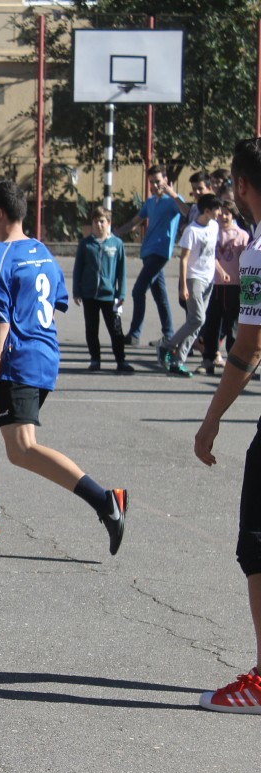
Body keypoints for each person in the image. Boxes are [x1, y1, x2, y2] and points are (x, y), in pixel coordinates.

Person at [0, 179, 127, 554]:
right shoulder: (41, 251)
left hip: (19, 364)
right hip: (43, 356)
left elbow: (2, 322)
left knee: (22, 448)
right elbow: (45, 305)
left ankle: (106, 500)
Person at [193, 136, 261, 714]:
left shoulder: (259, 252)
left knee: (259, 547)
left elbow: (246, 349)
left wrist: (210, 420)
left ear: (240, 187)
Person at [116, 165, 191, 347]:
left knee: (138, 290)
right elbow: (135, 221)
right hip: (148, 253)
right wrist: (115, 233)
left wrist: (173, 194)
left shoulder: (173, 200)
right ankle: (169, 334)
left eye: (158, 181)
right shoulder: (151, 202)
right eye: (151, 182)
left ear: (165, 181)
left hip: (161, 253)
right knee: (160, 296)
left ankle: (134, 334)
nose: (155, 185)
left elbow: (187, 212)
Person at [156, 193, 222, 377]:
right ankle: (167, 345)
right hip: (194, 278)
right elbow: (184, 259)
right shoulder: (191, 231)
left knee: (196, 322)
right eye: (216, 209)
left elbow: (211, 253)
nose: (220, 213)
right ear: (206, 211)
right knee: (198, 318)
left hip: (210, 279)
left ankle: (178, 361)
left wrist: (221, 271)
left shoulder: (215, 227)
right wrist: (183, 285)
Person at [72, 206, 133, 373]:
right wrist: (77, 291)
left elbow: (122, 270)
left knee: (115, 329)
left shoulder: (116, 244)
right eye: (95, 221)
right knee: (92, 328)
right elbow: (78, 269)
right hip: (89, 294)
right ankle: (95, 359)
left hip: (110, 295)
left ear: (109, 223)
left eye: (102, 221)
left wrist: (121, 293)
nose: (99, 225)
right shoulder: (85, 244)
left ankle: (121, 360)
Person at [198, 199, 249, 375]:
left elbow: (247, 260)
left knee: (232, 325)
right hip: (213, 285)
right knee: (212, 323)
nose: (223, 216)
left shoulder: (241, 235)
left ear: (233, 215)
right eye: (220, 212)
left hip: (234, 286)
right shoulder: (212, 232)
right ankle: (208, 359)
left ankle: (233, 364)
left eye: (227, 213)